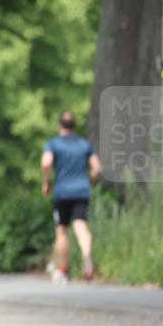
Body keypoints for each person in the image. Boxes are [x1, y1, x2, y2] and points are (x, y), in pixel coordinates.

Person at [41, 111, 103, 284]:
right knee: (81, 228)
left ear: (60, 126)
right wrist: (89, 181)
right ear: (74, 126)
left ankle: (63, 269)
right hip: (81, 191)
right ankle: (87, 257)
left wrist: (47, 181)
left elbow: (46, 163)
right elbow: (97, 168)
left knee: (62, 231)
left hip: (62, 192)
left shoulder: (54, 144)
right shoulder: (84, 145)